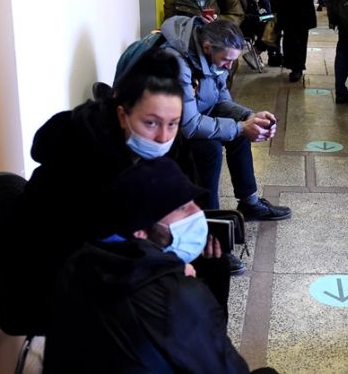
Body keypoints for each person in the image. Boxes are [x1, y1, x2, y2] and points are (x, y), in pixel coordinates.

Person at [15, 48, 235, 329]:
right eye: (151, 123)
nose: (163, 137)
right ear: (122, 114)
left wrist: (196, 233)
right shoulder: (79, 150)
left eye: (173, 123)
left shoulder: (173, 145)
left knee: (215, 265)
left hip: (132, 245)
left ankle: (208, 347)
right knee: (172, 291)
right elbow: (79, 240)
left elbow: (180, 200)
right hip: (64, 264)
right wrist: (161, 265)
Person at [43, 159, 278, 374]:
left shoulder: (76, 263)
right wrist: (192, 286)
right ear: (140, 229)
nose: (197, 213)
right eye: (181, 208)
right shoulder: (176, 295)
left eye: (192, 203)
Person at [159, 15, 292, 221]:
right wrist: (241, 126)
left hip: (193, 118)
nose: (229, 67)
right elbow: (189, 125)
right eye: (226, 60)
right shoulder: (178, 64)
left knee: (238, 134)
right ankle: (211, 219)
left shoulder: (215, 58)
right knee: (210, 148)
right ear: (207, 47)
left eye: (233, 60)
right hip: (164, 131)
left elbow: (221, 101)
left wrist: (249, 117)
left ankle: (249, 203)